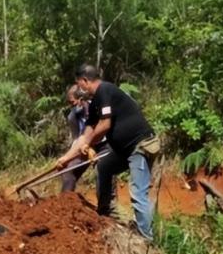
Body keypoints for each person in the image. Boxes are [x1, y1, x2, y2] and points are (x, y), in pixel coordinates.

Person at [56, 65, 160, 240]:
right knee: (104, 167)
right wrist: (66, 158)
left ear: (85, 81)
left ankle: (146, 240)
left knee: (137, 193)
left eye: (80, 84)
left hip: (139, 146)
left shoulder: (105, 90)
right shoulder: (96, 101)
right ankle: (104, 215)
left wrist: (88, 143)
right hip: (123, 150)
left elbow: (105, 125)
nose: (80, 89)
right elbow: (86, 134)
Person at [61, 85, 103, 192]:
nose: (71, 105)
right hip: (84, 147)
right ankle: (65, 201)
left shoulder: (97, 108)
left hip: (102, 145)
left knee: (102, 170)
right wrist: (68, 158)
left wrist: (91, 146)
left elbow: (102, 131)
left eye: (72, 102)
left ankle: (107, 206)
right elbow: (77, 139)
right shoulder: (73, 117)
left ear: (80, 100)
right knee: (67, 170)